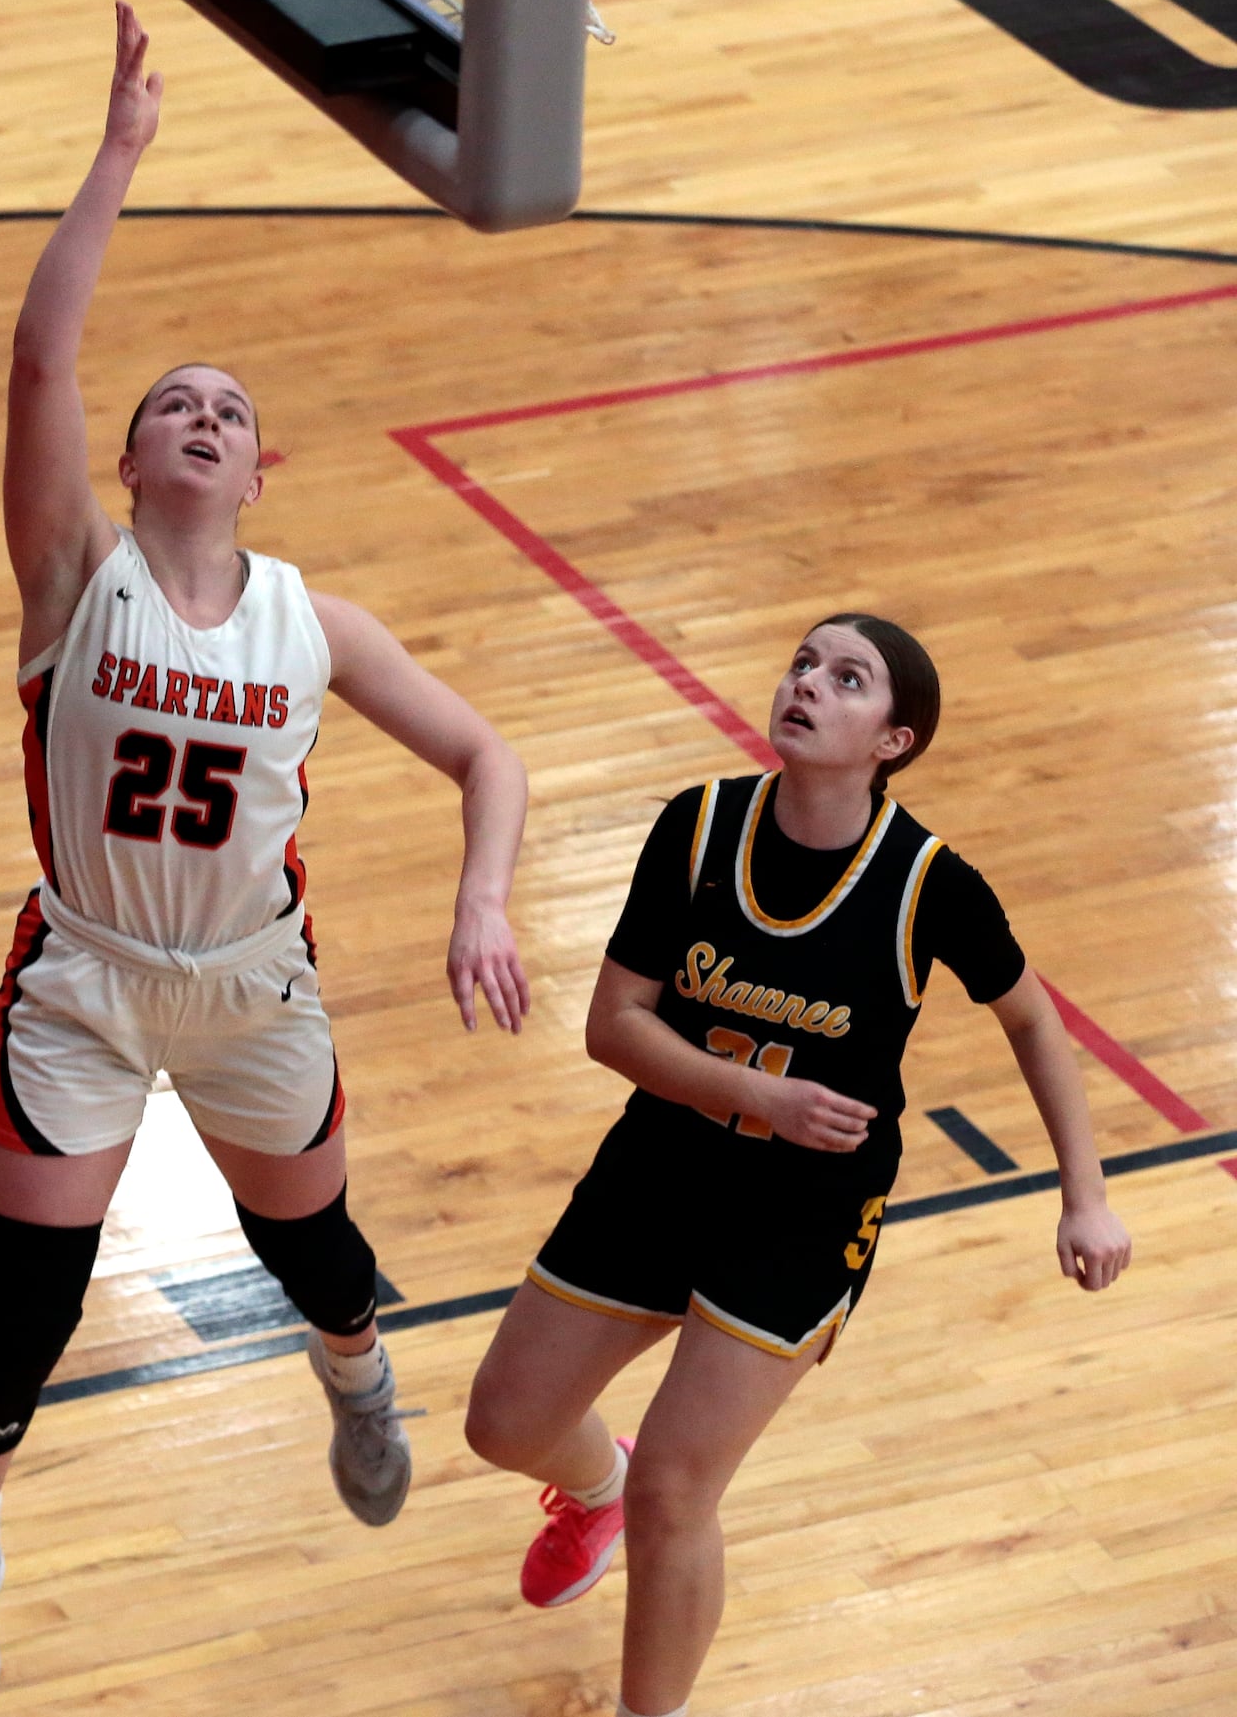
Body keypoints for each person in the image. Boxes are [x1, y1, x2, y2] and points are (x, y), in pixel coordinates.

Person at [0, 3, 530, 1715]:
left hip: (257, 987)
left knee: (316, 1257)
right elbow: (38, 359)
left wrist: (481, 896)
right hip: (86, 985)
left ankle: (359, 1377)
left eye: (229, 409)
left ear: (261, 468)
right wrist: (119, 157)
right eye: (171, 403)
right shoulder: (73, 576)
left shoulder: (315, 621)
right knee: (25, 1309)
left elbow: (490, 755)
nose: (199, 413)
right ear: (125, 462)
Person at [464, 612, 1131, 1717]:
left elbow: (1032, 1019)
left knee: (680, 1487)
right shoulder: (698, 826)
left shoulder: (928, 882)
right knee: (503, 1423)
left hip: (806, 1213)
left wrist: (1085, 1197)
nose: (808, 684)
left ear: (893, 740)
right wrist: (757, 1095)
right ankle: (594, 1487)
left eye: (847, 678)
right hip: (661, 1164)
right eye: (803, 663)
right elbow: (612, 1024)